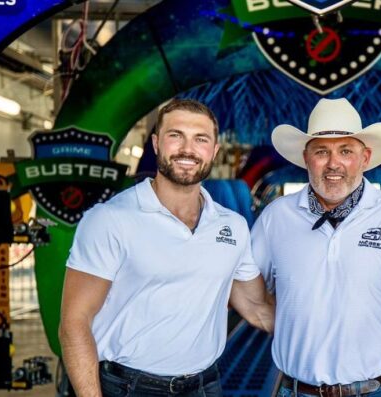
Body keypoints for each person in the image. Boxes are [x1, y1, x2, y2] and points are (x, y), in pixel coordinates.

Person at [59, 99, 274, 397]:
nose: (188, 149)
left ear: (213, 151)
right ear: (157, 144)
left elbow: (256, 308)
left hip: (205, 385)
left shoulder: (232, 226)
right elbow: (74, 322)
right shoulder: (110, 219)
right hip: (130, 387)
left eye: (200, 139)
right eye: (176, 136)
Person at [251, 98, 381, 397]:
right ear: (306, 158)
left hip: (379, 391)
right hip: (297, 391)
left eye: (346, 151)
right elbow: (247, 285)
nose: (334, 163)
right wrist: (288, 323)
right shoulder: (275, 218)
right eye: (322, 151)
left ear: (365, 157)